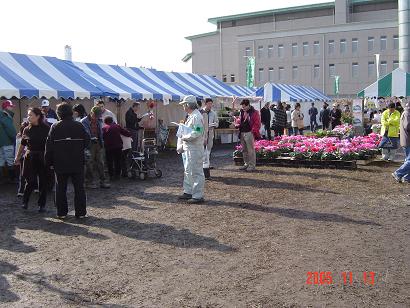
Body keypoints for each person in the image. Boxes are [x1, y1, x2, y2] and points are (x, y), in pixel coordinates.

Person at [44, 103, 90, 219]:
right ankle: (80, 213)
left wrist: (48, 163)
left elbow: (49, 147)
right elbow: (87, 140)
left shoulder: (55, 127)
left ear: (59, 114)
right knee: (79, 188)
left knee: (60, 189)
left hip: (60, 163)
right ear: (71, 112)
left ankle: (62, 213)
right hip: (77, 161)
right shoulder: (79, 125)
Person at [14, 107, 50, 212]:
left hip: (42, 157)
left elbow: (50, 144)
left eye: (31, 115)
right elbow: (22, 145)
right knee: (30, 181)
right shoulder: (26, 129)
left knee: (43, 182)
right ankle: (25, 202)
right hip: (30, 157)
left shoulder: (46, 128)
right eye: (28, 115)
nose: (28, 117)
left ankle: (41, 205)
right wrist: (17, 156)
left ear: (38, 116)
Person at [177, 95, 205, 204]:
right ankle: (188, 191)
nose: (183, 107)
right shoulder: (191, 116)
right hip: (189, 147)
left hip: (194, 148)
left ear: (188, 105)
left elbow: (197, 132)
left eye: (184, 105)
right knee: (188, 170)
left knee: (196, 171)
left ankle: (198, 195)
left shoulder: (196, 116)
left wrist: (185, 137)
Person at [81, 106, 110, 189]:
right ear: (91, 113)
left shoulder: (99, 120)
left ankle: (103, 181)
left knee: (101, 162)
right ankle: (89, 182)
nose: (97, 118)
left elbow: (100, 132)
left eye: (98, 116)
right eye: (95, 116)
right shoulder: (84, 121)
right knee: (89, 163)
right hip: (89, 144)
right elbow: (85, 133)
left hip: (98, 143)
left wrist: (101, 143)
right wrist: (91, 138)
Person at [235, 99, 261, 172]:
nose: (243, 108)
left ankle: (252, 165)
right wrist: (237, 124)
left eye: (244, 107)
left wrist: (253, 131)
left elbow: (257, 123)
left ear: (248, 105)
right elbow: (240, 120)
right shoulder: (242, 111)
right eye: (242, 107)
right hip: (242, 132)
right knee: (244, 150)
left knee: (250, 150)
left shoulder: (255, 112)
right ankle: (246, 164)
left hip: (249, 132)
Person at [102, 116, 131, 180]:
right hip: (118, 146)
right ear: (112, 121)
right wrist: (129, 134)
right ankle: (117, 175)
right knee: (117, 161)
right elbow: (125, 132)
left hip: (108, 147)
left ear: (105, 122)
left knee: (109, 162)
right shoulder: (117, 126)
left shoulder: (104, 128)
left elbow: (102, 137)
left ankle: (111, 175)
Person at [392, 102, 410, 183]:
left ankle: (407, 177)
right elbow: (407, 126)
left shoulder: (406, 112)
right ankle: (398, 173)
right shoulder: (407, 113)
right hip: (408, 140)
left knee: (408, 160)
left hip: (406, 140)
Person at [0, 100, 17, 183]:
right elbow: (10, 129)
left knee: (1, 160)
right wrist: (16, 137)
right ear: (6, 107)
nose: (12, 108)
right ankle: (12, 178)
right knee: (10, 160)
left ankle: (2, 179)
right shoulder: (6, 116)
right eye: (11, 106)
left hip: (1, 142)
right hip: (7, 142)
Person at [202, 98, 219, 179]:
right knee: (202, 150)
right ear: (205, 104)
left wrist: (214, 124)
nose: (210, 105)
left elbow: (217, 123)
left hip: (210, 133)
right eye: (209, 104)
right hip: (202, 135)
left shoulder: (213, 113)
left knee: (208, 150)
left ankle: (207, 165)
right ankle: (203, 167)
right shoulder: (201, 112)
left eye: (211, 104)